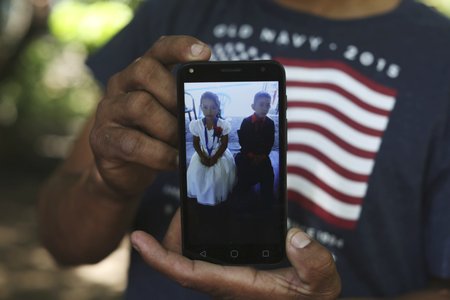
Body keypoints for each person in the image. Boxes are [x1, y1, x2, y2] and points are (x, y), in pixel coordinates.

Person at [37, 0, 450, 299]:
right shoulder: (174, 11)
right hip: (227, 169)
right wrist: (109, 186)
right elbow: (65, 244)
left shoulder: (438, 54)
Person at [187, 91, 236, 205]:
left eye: (213, 107)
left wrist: (215, 157)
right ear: (201, 108)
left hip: (219, 152)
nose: (209, 111)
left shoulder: (223, 125)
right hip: (203, 151)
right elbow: (195, 143)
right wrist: (202, 156)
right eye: (205, 107)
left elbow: (224, 144)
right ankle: (201, 196)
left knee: (218, 177)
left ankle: (216, 196)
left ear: (218, 108)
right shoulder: (196, 125)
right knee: (197, 175)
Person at [235, 91, 275, 205]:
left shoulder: (270, 123)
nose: (265, 108)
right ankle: (244, 194)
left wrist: (262, 156)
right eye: (261, 105)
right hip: (247, 154)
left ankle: (266, 200)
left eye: (267, 105)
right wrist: (251, 155)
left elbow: (270, 142)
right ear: (253, 106)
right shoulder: (246, 122)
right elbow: (243, 141)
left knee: (268, 176)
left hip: (262, 155)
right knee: (243, 174)